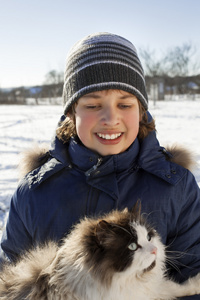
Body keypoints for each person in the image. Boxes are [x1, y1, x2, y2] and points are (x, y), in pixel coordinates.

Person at [1, 32, 200, 299]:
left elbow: (192, 279)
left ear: (141, 111)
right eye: (93, 104)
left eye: (125, 104)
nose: (110, 118)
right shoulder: (33, 193)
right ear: (72, 112)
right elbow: (9, 281)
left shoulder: (176, 186)